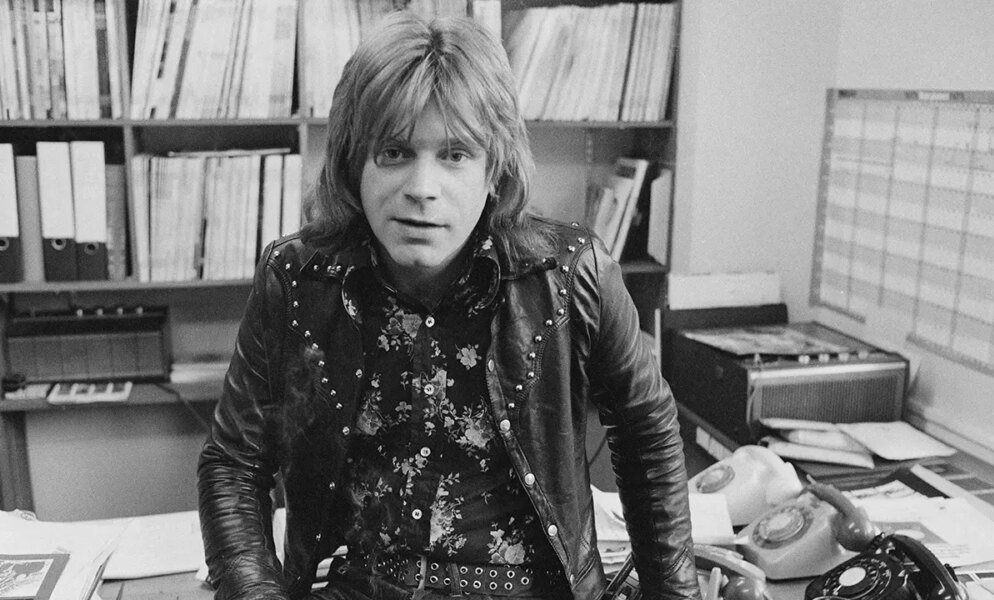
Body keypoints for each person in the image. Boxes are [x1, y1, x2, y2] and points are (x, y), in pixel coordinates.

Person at [198, 10, 699, 600]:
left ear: (495, 169)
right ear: (354, 164)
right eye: (394, 152)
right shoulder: (296, 279)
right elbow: (233, 464)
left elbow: (647, 434)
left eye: (456, 154)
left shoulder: (570, 275)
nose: (422, 188)